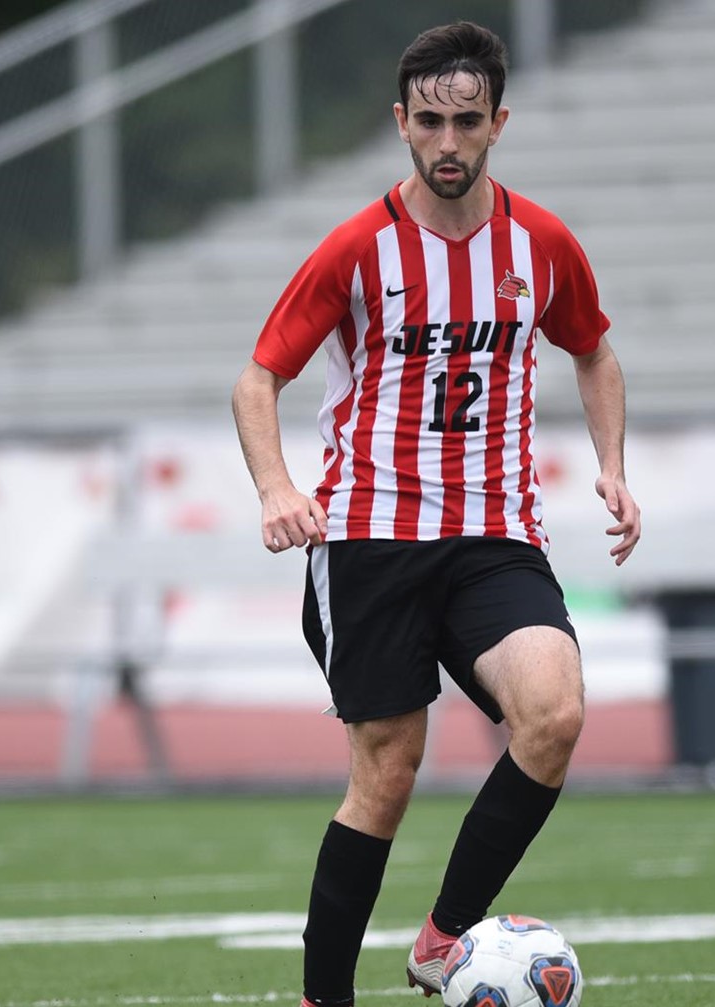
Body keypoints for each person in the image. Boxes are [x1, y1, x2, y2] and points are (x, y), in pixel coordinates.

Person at [230, 22, 640, 1006]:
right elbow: (257, 379)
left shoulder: (541, 243)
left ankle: (443, 936)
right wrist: (278, 487)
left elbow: (592, 350)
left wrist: (614, 467)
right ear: (401, 122)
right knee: (388, 773)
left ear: (499, 122)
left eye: (467, 121)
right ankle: (323, 998)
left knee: (555, 713)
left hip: (496, 533)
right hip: (371, 536)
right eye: (429, 121)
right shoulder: (357, 248)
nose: (447, 142)